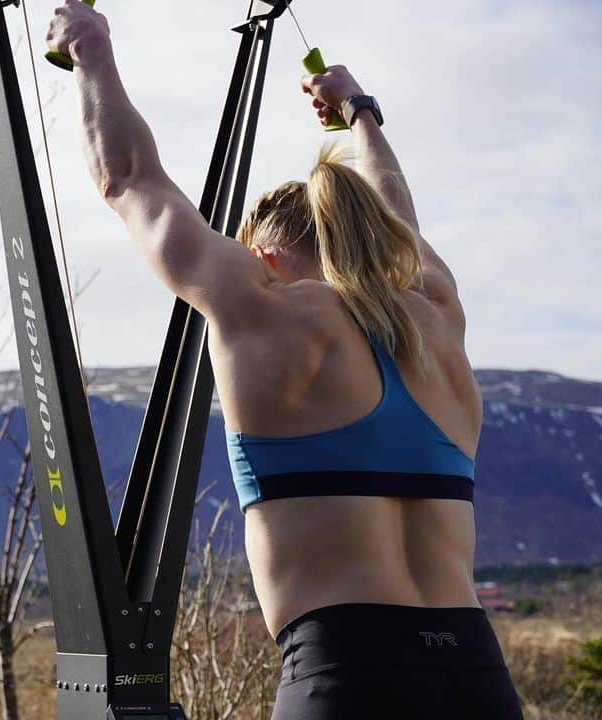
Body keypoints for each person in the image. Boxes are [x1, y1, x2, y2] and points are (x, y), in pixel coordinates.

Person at [46, 2, 524, 718]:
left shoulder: (263, 312)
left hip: (347, 671)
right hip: (477, 676)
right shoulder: (437, 322)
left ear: (262, 255)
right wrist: (358, 112)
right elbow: (399, 219)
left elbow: (128, 179)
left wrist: (90, 49)